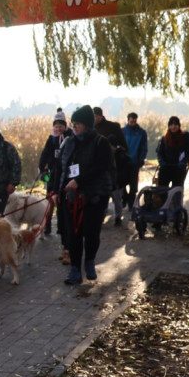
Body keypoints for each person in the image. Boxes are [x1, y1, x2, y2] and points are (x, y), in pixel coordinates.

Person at [59, 105, 115, 284]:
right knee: (72, 233)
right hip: (72, 197)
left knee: (91, 233)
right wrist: (56, 190)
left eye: (78, 123)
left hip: (94, 196)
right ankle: (75, 269)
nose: (73, 126)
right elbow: (60, 168)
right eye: (72, 123)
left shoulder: (101, 143)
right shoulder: (68, 142)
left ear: (87, 125)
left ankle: (89, 261)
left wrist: (80, 181)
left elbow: (102, 167)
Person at [38, 110, 73, 242]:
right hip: (52, 174)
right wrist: (42, 168)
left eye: (60, 126)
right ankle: (47, 226)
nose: (58, 129)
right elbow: (45, 154)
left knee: (61, 201)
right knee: (49, 201)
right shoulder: (51, 138)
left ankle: (60, 226)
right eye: (56, 126)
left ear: (65, 126)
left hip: (65, 175)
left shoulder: (70, 137)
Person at [92, 107, 128, 225]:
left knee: (116, 197)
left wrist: (118, 150)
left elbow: (123, 145)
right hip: (100, 167)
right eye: (93, 116)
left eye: (96, 116)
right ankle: (101, 216)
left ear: (101, 116)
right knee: (103, 196)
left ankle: (118, 216)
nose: (95, 118)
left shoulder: (112, 127)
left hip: (116, 168)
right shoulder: (91, 129)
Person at [122, 112, 148, 209]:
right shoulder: (122, 132)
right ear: (128, 120)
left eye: (134, 121)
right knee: (122, 183)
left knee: (133, 185)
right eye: (131, 121)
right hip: (124, 163)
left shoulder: (141, 132)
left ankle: (131, 204)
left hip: (135, 162)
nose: (133, 122)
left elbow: (144, 147)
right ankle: (125, 198)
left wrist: (141, 159)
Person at [156, 116, 189, 190]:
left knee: (177, 191)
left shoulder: (185, 137)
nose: (173, 127)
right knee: (161, 190)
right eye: (171, 125)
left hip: (179, 169)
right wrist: (161, 162)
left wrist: (184, 162)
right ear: (169, 126)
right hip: (165, 168)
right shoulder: (164, 138)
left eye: (175, 124)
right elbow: (159, 152)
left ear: (179, 126)